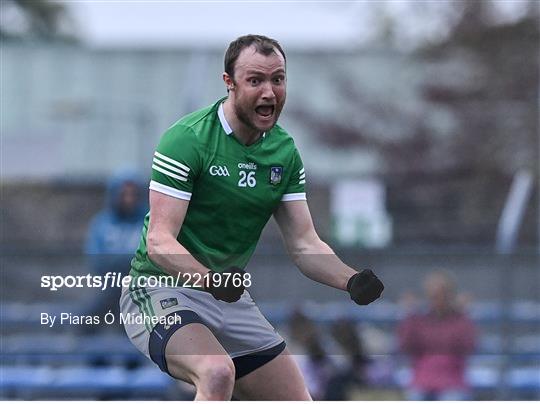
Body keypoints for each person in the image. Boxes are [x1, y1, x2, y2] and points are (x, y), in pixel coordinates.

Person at [120, 34, 384, 400]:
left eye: (278, 79)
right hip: (161, 290)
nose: (269, 92)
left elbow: (305, 244)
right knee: (216, 373)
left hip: (228, 299)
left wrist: (350, 279)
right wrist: (210, 280)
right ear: (228, 82)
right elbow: (159, 243)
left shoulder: (284, 152)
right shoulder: (187, 140)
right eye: (255, 80)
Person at [398, 271, 476, 401]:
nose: (438, 299)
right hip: (423, 378)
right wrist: (409, 315)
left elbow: (468, 346)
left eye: (442, 294)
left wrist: (464, 315)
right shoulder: (418, 320)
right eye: (434, 295)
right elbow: (405, 346)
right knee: (415, 397)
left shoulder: (459, 320)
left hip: (452, 379)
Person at [84, 170, 146, 331]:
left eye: (133, 194)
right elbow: (96, 259)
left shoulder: (148, 221)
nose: (129, 198)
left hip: (140, 288)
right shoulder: (101, 223)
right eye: (124, 193)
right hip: (109, 287)